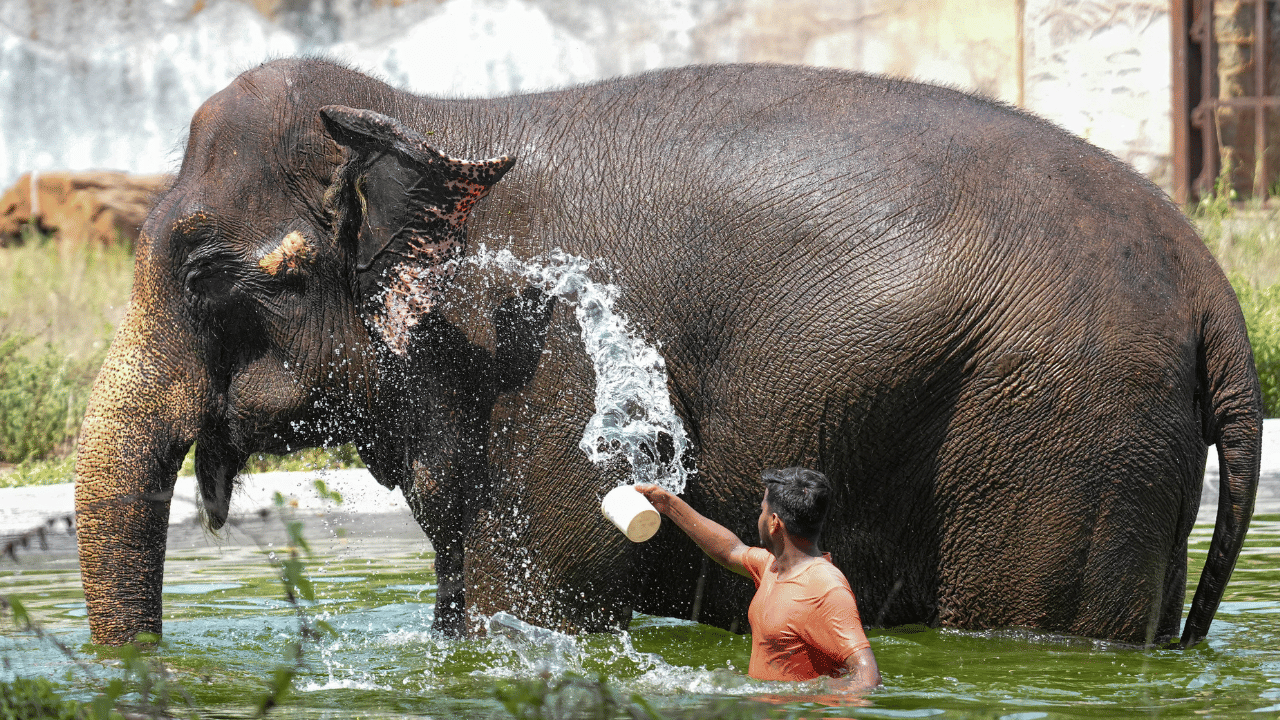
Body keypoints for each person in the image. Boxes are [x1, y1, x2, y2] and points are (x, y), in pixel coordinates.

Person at [635, 468, 881, 690]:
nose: (759, 517)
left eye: (762, 510)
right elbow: (731, 551)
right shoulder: (773, 566)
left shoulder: (824, 588)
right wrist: (669, 506)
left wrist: (805, 699)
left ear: (774, 522)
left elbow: (867, 679)